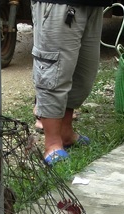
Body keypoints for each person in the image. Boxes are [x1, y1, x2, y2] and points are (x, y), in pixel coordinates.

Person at [31, 0, 113, 166]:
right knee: (54, 73)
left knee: (82, 74)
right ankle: (52, 144)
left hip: (92, 6)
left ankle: (65, 132)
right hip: (58, 5)